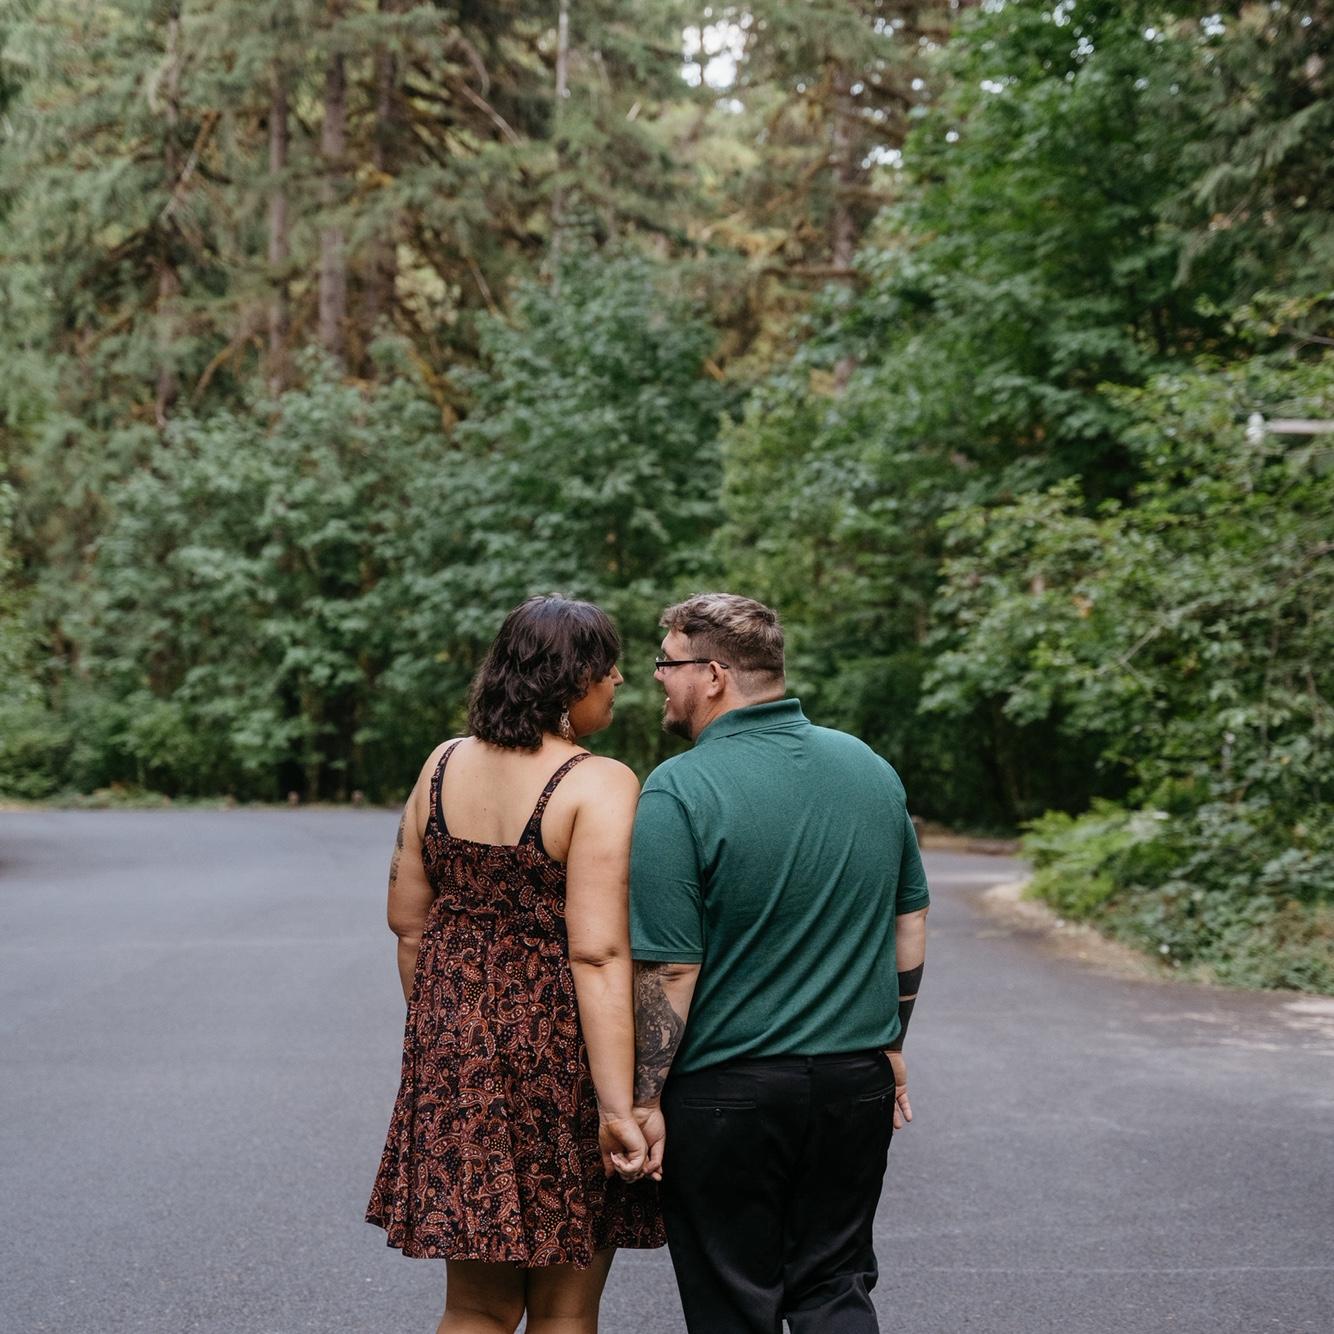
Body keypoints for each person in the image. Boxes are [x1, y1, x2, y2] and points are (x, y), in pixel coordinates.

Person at [629, 592, 929, 1334]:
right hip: (854, 1083)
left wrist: (644, 1098)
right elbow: (909, 922)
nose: (658, 677)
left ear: (714, 675)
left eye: (668, 662)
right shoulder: (869, 768)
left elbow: (671, 970)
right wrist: (891, 1041)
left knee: (735, 1304)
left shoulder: (680, 787)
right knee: (834, 1287)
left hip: (727, 1090)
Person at [367, 595, 664, 1334]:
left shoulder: (441, 765)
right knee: (565, 1308)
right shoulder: (598, 782)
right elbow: (597, 952)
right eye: (608, 667)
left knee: (476, 1306)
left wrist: (448, 1036)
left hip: (453, 1048)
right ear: (573, 680)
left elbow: (408, 923)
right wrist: (619, 1108)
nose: (620, 680)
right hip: (560, 1056)